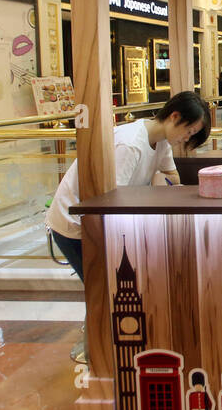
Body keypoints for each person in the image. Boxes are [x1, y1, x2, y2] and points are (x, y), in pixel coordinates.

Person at [46, 91, 211, 362]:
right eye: (189, 132)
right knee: (101, 287)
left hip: (102, 221)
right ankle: (95, 356)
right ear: (175, 116)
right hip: (75, 224)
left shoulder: (161, 142)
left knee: (108, 286)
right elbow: (111, 201)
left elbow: (171, 177)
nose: (187, 139)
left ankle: (102, 349)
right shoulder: (130, 144)